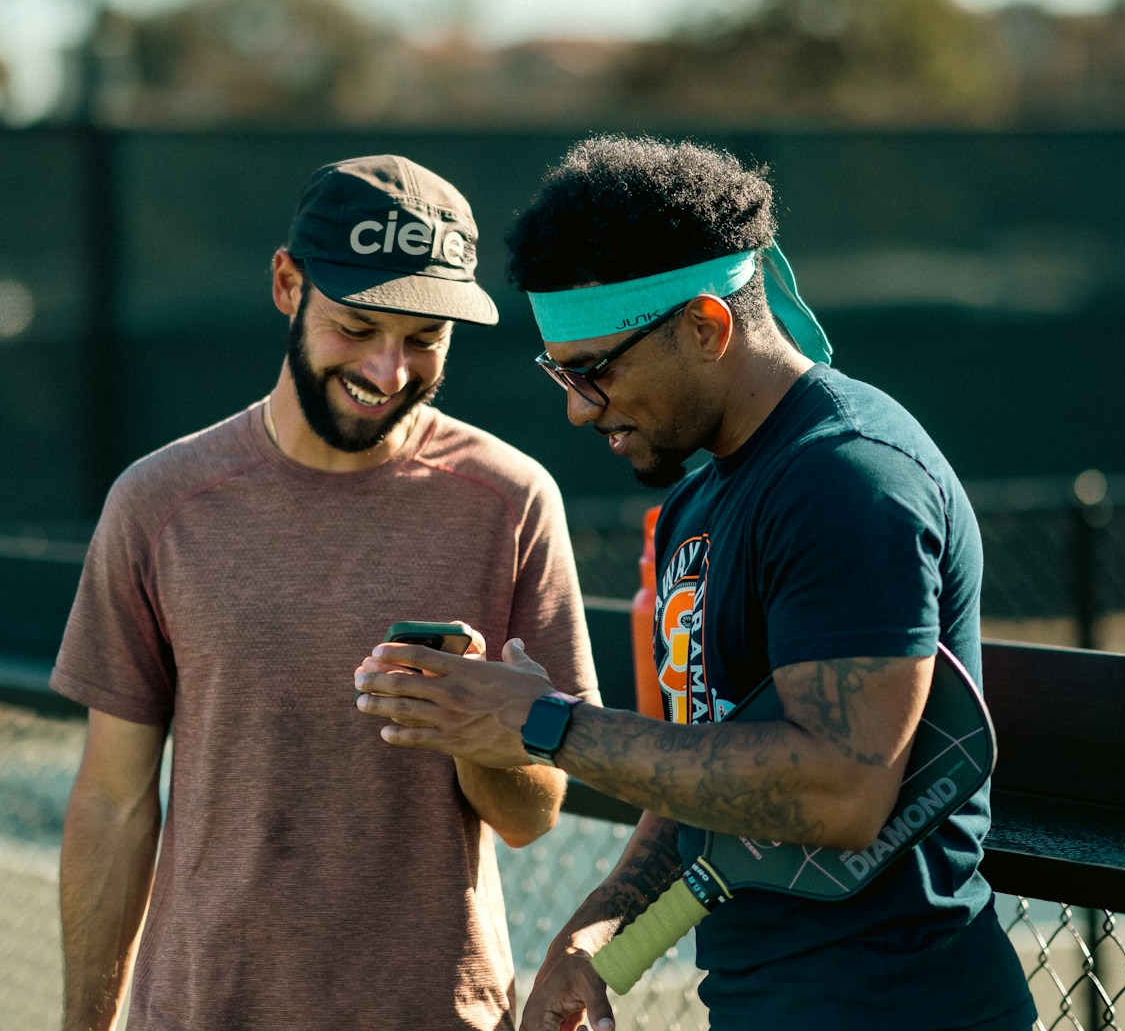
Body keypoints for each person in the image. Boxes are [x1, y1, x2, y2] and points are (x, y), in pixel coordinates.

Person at [353, 136, 1036, 1031]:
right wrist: (596, 932)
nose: (576, 406)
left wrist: (543, 722)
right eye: (558, 371)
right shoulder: (700, 498)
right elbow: (711, 765)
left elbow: (838, 788)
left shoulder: (848, 479)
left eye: (595, 369)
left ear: (708, 329)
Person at [53, 155, 598, 1031]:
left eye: (425, 339)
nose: (390, 371)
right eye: (356, 326)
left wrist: (475, 730)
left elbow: (533, 817)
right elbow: (114, 803)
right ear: (286, 284)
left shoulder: (513, 501)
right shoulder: (158, 503)